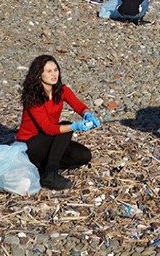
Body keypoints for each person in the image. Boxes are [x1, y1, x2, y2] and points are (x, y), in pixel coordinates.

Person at [16, 55, 100, 190]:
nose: (53, 74)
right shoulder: (33, 98)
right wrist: (75, 126)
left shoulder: (61, 90)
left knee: (83, 155)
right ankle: (50, 175)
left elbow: (78, 105)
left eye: (55, 70)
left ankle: (45, 166)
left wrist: (87, 114)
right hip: (29, 146)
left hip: (50, 140)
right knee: (64, 126)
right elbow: (48, 128)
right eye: (48, 71)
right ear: (39, 74)